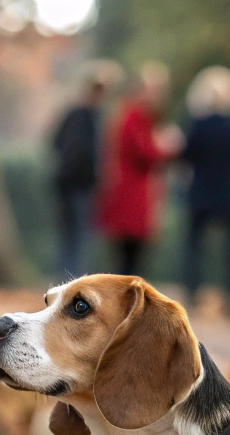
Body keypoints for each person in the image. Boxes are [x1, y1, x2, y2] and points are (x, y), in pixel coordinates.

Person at [97, 63, 182, 277]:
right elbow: (145, 153)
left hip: (133, 192)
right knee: (130, 255)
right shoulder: (135, 117)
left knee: (132, 255)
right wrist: (167, 146)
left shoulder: (135, 116)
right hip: (131, 193)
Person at [180, 66, 230, 315]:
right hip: (228, 193)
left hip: (200, 193)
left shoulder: (198, 124)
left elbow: (187, 155)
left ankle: (193, 295)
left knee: (194, 248)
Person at [51, 63, 116, 280]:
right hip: (80, 183)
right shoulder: (90, 117)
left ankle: (64, 277)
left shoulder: (74, 113)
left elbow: (55, 141)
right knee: (78, 235)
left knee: (71, 235)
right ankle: (70, 279)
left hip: (67, 181)